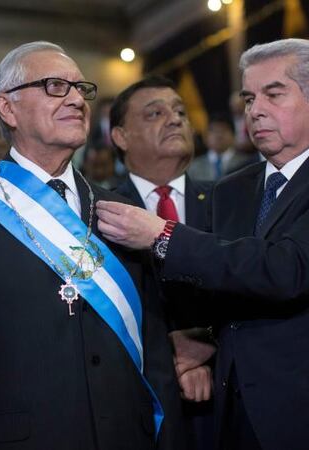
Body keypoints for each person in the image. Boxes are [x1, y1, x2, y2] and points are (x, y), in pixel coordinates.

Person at [96, 38, 309, 450]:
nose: (255, 110)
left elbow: (287, 269)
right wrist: (204, 339)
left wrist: (161, 234)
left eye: (274, 94)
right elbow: (225, 288)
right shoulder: (230, 190)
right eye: (249, 97)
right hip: (240, 419)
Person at [0, 41, 187, 450]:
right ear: (8, 107)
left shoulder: (121, 211)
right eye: (55, 86)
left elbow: (153, 351)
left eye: (80, 88)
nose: (76, 99)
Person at [109, 75, 217, 450]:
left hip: (230, 397)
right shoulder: (99, 212)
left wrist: (207, 345)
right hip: (141, 406)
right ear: (120, 137)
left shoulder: (228, 200)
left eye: (180, 112)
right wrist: (171, 360)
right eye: (155, 113)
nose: (175, 120)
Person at [188, 112, 259, 182]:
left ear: (234, 135)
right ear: (205, 137)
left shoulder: (247, 163)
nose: (219, 135)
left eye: (223, 130)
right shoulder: (193, 166)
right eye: (214, 130)